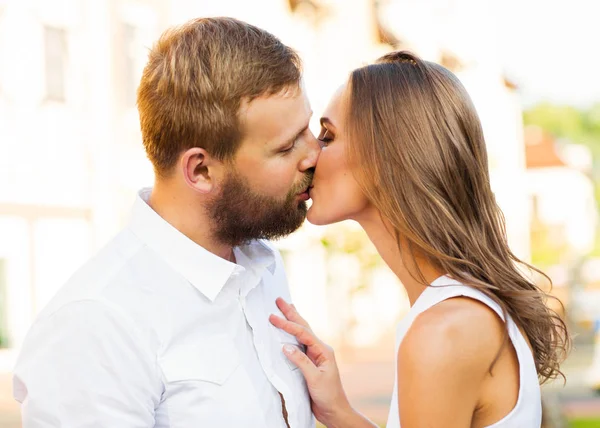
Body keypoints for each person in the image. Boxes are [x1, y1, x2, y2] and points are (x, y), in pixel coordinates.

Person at [13, 17, 319, 427]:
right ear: (201, 171)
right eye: (286, 147)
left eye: (309, 129)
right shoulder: (95, 325)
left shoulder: (263, 266)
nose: (313, 154)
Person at [270, 51, 570, 427]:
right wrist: (339, 411)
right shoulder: (460, 311)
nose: (311, 153)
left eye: (327, 135)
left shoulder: (444, 329)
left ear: (386, 157)